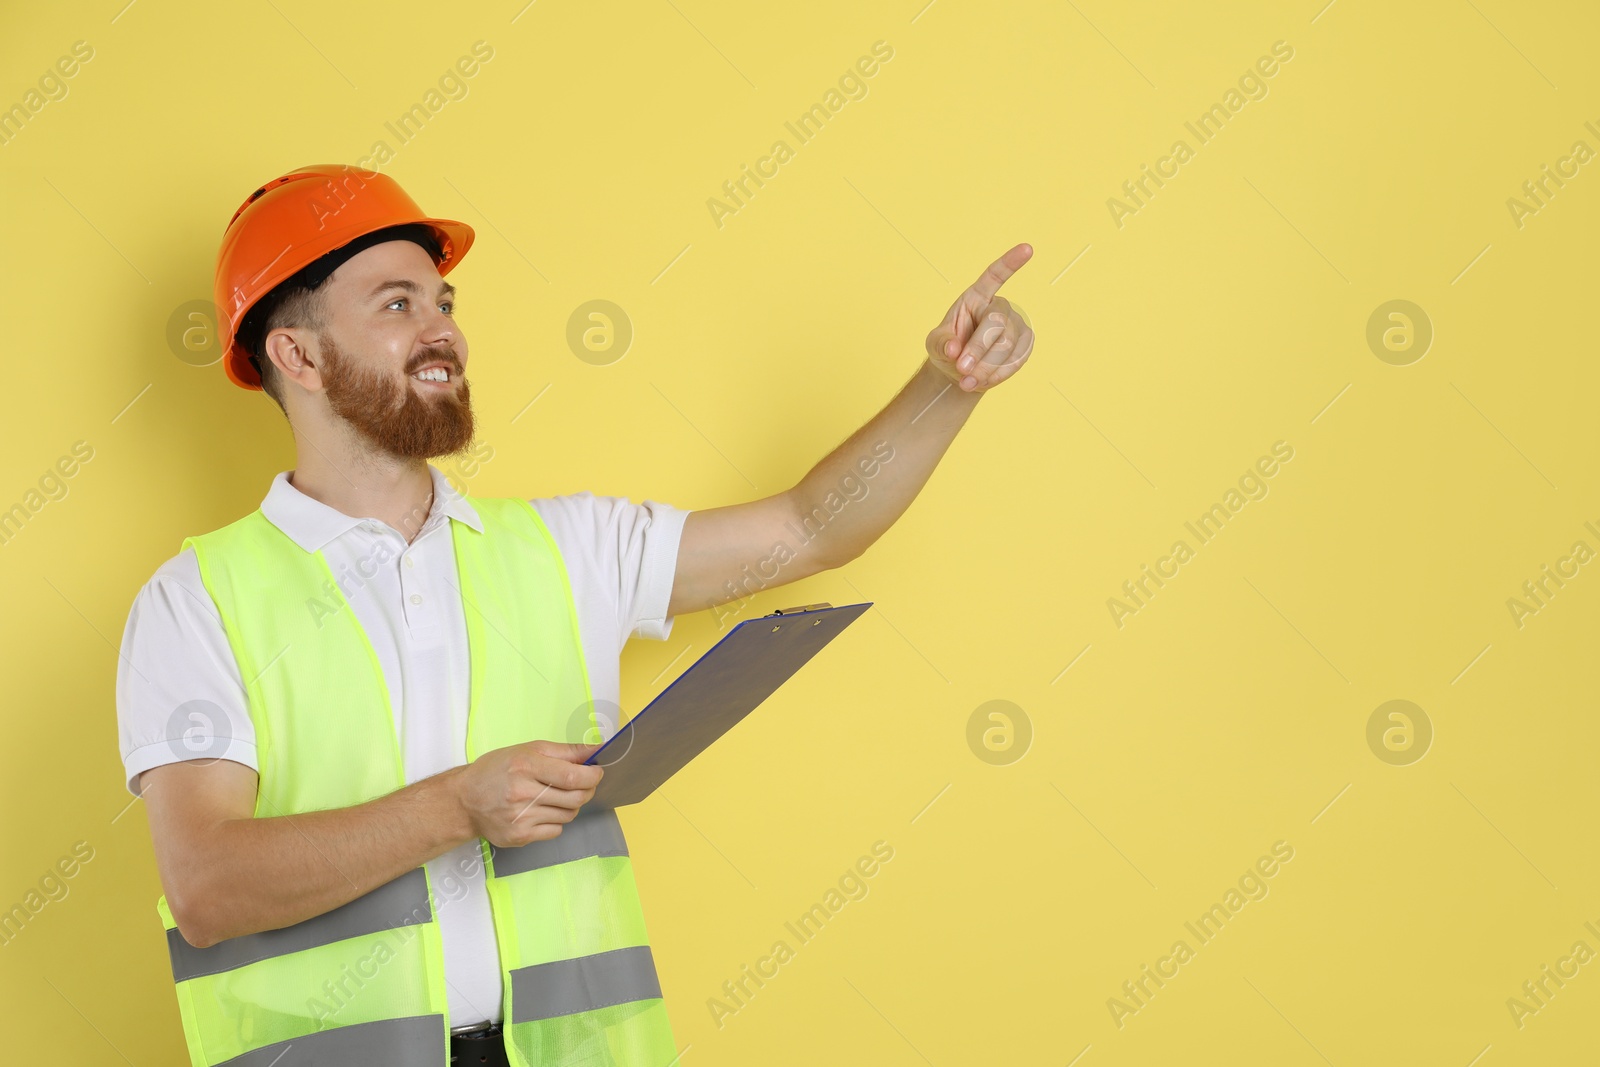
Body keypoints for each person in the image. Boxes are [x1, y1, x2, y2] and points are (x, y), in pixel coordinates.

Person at [117, 162, 1034, 1066]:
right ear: (299, 355)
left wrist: (947, 386)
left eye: (444, 304)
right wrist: (458, 805)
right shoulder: (196, 602)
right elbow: (207, 885)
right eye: (397, 305)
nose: (443, 331)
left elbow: (807, 529)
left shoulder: (566, 548)